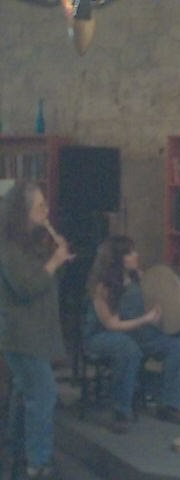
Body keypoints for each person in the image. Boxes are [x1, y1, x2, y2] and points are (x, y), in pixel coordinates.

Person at [0, 181, 74, 479]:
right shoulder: (7, 246)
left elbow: (47, 280)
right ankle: (38, 463)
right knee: (44, 394)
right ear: (23, 211)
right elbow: (26, 287)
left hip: (35, 332)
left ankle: (17, 451)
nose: (46, 211)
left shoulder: (29, 242)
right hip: (21, 335)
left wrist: (57, 257)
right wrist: (53, 262)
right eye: (40, 206)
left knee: (26, 392)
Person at [83, 235, 180, 433]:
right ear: (117, 258)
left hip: (135, 332)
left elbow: (147, 306)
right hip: (102, 336)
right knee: (128, 349)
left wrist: (157, 314)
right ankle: (121, 411)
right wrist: (145, 320)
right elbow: (111, 324)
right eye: (130, 253)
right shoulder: (102, 286)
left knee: (177, 346)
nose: (136, 255)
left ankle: (169, 405)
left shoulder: (137, 278)